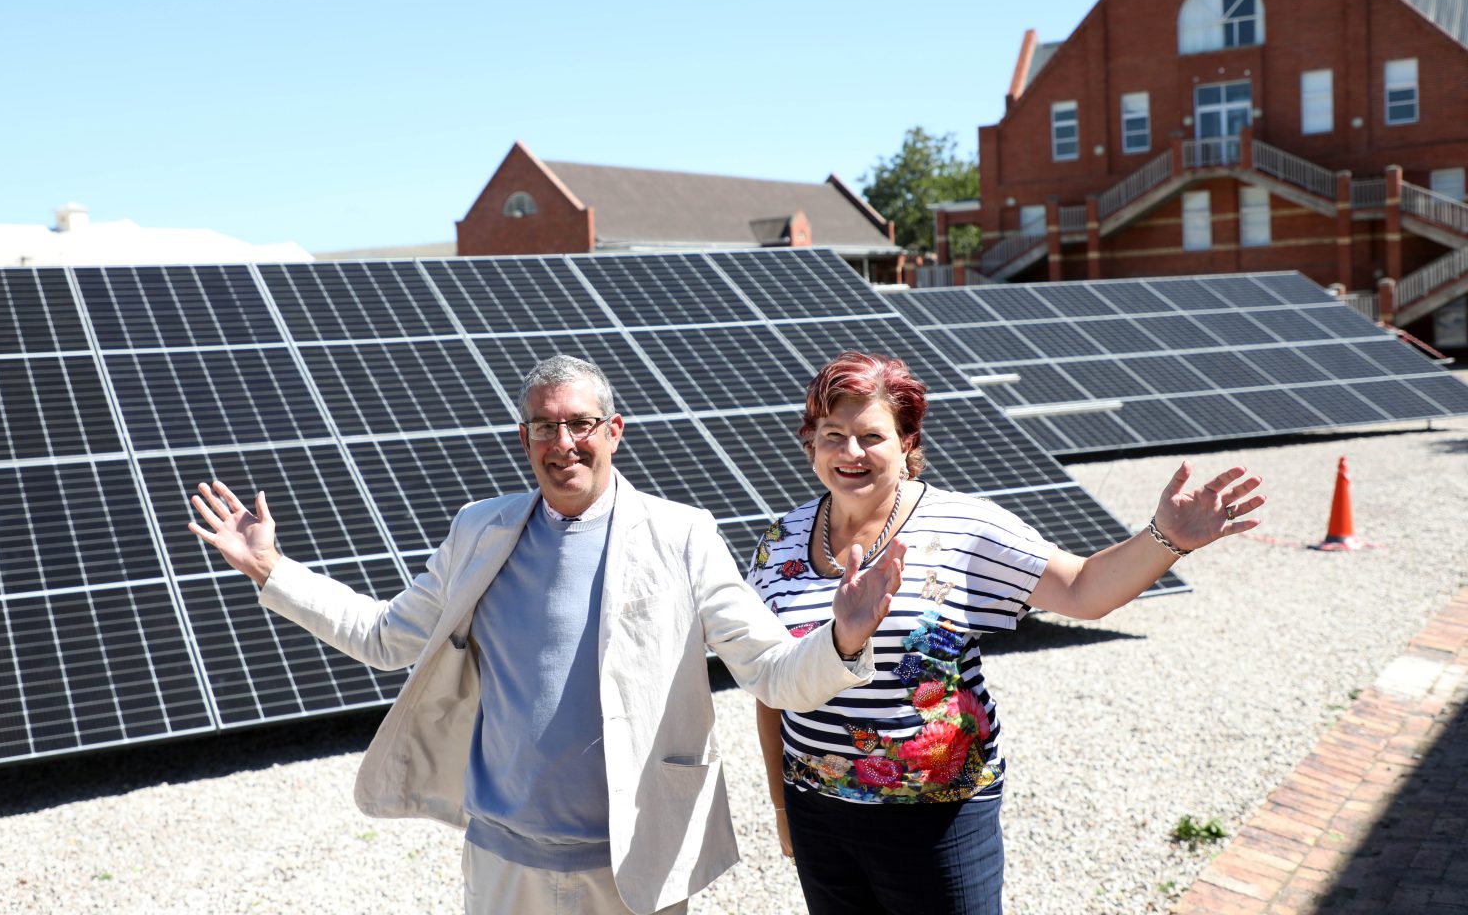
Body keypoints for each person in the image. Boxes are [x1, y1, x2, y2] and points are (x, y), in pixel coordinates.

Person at [186, 354, 905, 915]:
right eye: (543, 426)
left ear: (613, 431)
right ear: (523, 437)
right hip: (506, 864)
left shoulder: (681, 534)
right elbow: (385, 638)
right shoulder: (481, 529)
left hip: (635, 862)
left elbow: (770, 671)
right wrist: (272, 571)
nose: (563, 444)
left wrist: (840, 641)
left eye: (580, 423)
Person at [749, 352, 1265, 915]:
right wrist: (781, 808)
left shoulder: (965, 527)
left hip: (938, 815)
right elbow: (769, 682)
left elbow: (1082, 589)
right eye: (833, 435)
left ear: (907, 442)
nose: (851, 453)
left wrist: (1165, 538)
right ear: (811, 442)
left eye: (871, 435)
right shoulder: (782, 539)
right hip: (817, 809)